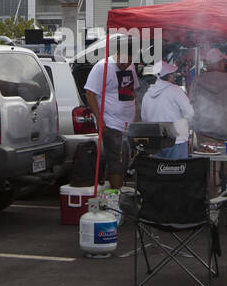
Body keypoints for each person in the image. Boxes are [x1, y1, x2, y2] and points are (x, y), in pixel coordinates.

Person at [83, 41, 140, 189]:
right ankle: (117, 197)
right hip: (111, 122)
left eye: (129, 61)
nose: (125, 64)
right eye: (123, 60)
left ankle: (110, 194)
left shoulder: (130, 67)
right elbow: (90, 94)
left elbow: (134, 91)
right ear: (117, 53)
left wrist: (137, 115)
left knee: (124, 161)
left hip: (127, 124)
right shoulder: (102, 67)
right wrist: (100, 119)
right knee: (117, 162)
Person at [191, 48, 227, 189]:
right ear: (218, 62)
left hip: (205, 134)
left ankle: (212, 203)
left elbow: (191, 106)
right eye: (223, 61)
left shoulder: (197, 80)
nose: (224, 64)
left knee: (211, 172)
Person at [140, 61, 193, 160]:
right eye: (172, 74)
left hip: (156, 140)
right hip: (177, 140)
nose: (174, 77)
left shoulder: (147, 94)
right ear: (169, 76)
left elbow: (144, 118)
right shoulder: (175, 90)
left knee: (159, 172)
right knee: (177, 172)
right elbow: (190, 113)